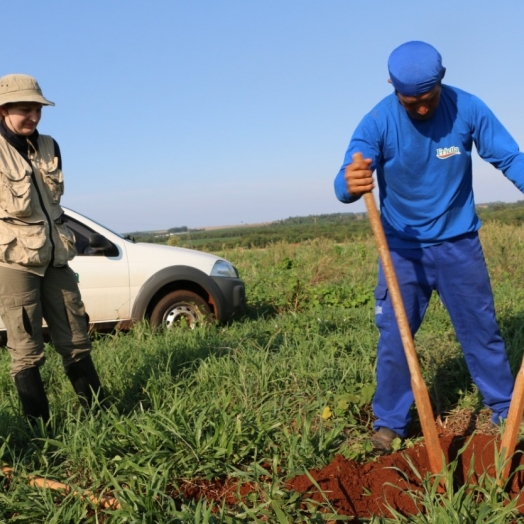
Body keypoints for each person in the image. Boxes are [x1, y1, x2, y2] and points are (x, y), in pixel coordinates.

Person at [334, 41, 524, 454]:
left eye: (429, 98)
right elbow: (348, 176)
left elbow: (510, 157)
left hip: (459, 245)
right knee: (395, 338)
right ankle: (389, 422)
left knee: (482, 331)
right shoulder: (378, 122)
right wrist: (349, 183)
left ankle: (505, 407)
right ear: (392, 87)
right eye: (411, 101)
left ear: (442, 81)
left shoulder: (468, 108)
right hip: (402, 251)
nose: (421, 109)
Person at [0, 73, 105, 424]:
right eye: (24, 109)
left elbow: (53, 205)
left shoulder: (50, 146)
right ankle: (38, 429)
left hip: (56, 257)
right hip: (14, 262)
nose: (33, 117)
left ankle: (99, 415)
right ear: (3, 110)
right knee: (26, 351)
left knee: (76, 338)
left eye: (38, 110)